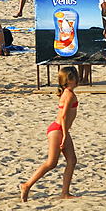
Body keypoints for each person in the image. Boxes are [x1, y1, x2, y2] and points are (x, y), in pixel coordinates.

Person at [20, 66, 79, 201]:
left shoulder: (68, 93)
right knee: (51, 162)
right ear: (70, 79)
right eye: (76, 76)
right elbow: (64, 117)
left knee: (72, 161)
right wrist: (64, 135)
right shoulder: (69, 94)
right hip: (58, 130)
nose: (79, 79)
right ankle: (27, 185)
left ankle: (65, 193)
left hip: (61, 129)